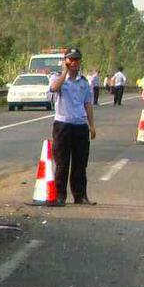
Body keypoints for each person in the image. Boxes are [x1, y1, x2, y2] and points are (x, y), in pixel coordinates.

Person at [45, 47, 97, 206]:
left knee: (80, 163)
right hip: (63, 125)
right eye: (70, 59)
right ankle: (60, 195)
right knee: (62, 162)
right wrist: (64, 72)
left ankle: (80, 195)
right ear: (65, 61)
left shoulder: (84, 82)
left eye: (76, 60)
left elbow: (88, 103)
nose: (73, 63)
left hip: (80, 125)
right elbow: (54, 88)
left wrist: (92, 125)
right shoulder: (57, 77)